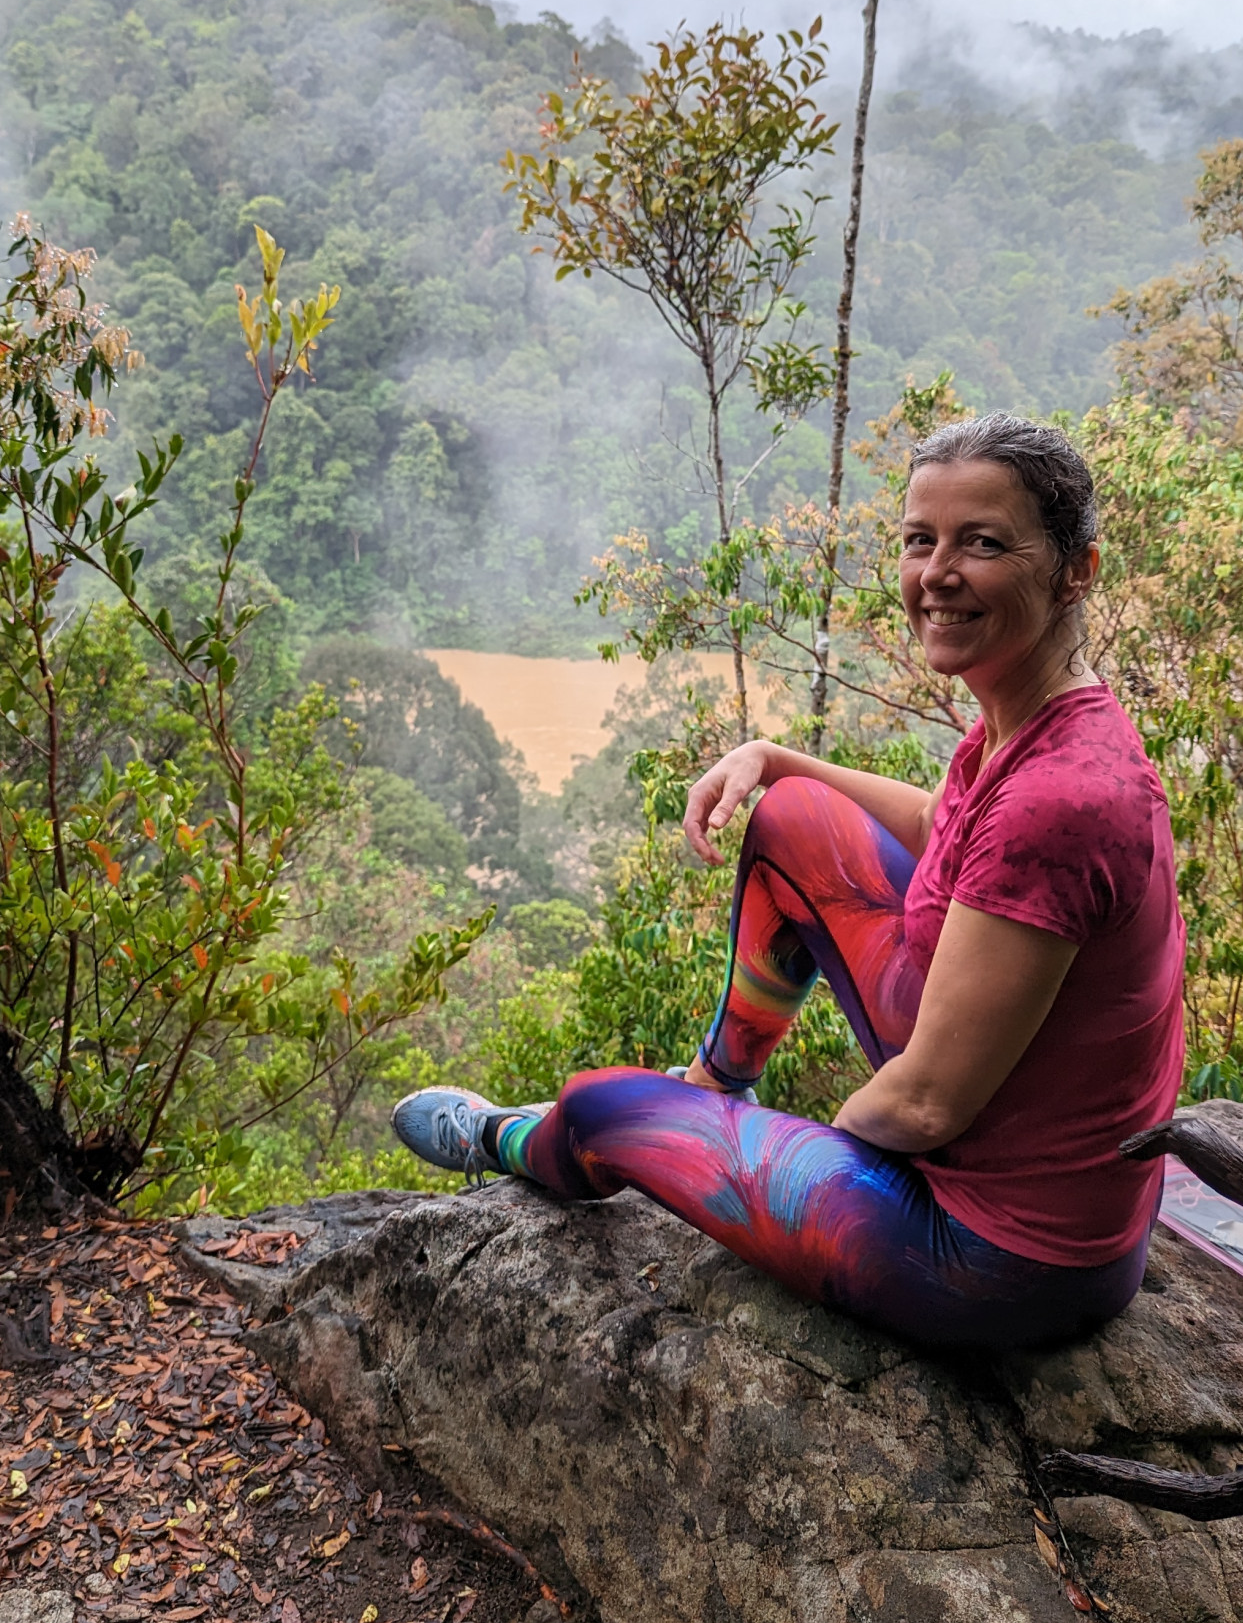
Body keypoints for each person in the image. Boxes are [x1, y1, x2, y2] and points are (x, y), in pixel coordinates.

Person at [389, 415, 1185, 1351]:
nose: (937, 573)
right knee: (790, 817)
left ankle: (510, 1144)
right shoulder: (1031, 714)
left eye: (983, 543)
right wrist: (774, 759)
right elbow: (943, 829)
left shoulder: (1063, 796)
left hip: (1002, 1260)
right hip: (1001, 1126)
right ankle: (720, 1085)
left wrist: (807, 1168)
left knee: (605, 1106)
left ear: (1074, 571)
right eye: (920, 540)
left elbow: (926, 1104)